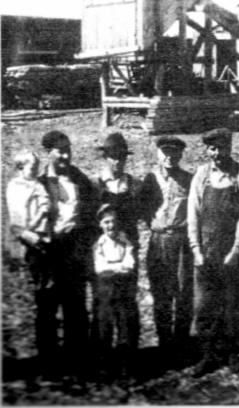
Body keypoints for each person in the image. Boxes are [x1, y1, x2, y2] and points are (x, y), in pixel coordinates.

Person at [188, 127, 239, 377]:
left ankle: (231, 354)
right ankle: (208, 355)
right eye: (213, 148)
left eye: (222, 148)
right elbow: (193, 214)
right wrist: (196, 249)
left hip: (231, 251)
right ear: (207, 150)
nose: (218, 153)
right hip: (205, 250)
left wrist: (236, 249)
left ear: (230, 148)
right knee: (204, 306)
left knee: (230, 304)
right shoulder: (201, 175)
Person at [38, 130, 98, 381]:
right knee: (48, 308)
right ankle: (49, 366)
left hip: (75, 251)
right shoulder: (38, 183)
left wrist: (84, 241)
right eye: (60, 151)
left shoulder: (79, 179)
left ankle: (78, 363)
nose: (65, 155)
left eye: (68, 150)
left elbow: (92, 212)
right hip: (49, 255)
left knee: (76, 309)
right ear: (47, 153)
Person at [137, 135, 195, 366]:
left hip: (181, 241)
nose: (170, 158)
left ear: (181, 155)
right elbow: (140, 207)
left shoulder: (189, 179)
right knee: (161, 293)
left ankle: (181, 343)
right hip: (158, 241)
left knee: (183, 294)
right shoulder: (149, 180)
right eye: (165, 153)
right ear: (158, 154)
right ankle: (164, 344)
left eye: (175, 153)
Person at [5, 151, 53, 374]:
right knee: (40, 294)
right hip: (30, 244)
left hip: (45, 241)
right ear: (21, 167)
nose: (35, 169)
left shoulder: (37, 184)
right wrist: (30, 235)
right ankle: (43, 353)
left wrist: (40, 220)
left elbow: (46, 205)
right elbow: (16, 222)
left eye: (37, 165)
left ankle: (50, 350)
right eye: (31, 166)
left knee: (49, 295)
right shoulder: (15, 187)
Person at [92, 205, 139, 380]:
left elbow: (130, 264)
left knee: (126, 325)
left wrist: (114, 268)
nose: (110, 225)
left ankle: (127, 366)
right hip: (105, 291)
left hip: (124, 289)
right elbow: (100, 268)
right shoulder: (99, 245)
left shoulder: (125, 242)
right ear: (100, 225)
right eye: (106, 222)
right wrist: (118, 267)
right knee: (105, 327)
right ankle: (105, 366)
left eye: (113, 221)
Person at [93, 133, 141, 247]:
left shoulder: (134, 184)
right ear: (105, 157)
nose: (117, 161)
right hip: (103, 246)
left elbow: (140, 213)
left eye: (121, 157)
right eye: (113, 157)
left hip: (128, 243)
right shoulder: (95, 184)